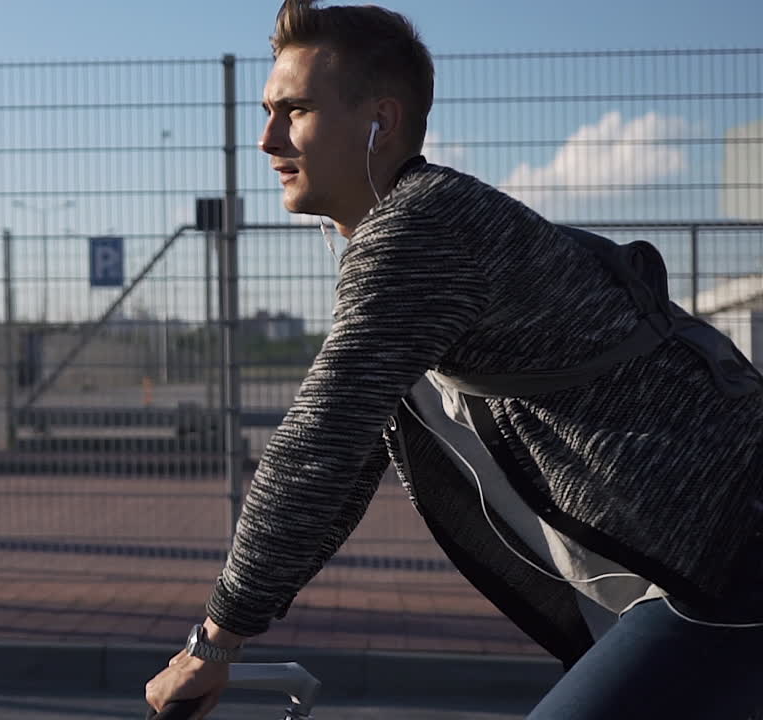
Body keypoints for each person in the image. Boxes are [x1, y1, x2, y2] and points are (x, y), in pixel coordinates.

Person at [144, 2, 763, 718]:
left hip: (729, 556)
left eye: (296, 110)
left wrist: (213, 646)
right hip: (693, 563)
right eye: (267, 111)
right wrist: (234, 631)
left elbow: (318, 445)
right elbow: (348, 465)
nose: (266, 139)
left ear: (383, 120)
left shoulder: (419, 229)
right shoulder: (418, 232)